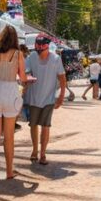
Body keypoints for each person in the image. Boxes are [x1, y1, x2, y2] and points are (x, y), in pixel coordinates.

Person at [0, 26, 27, 180]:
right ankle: (9, 171)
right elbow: (22, 77)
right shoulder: (18, 54)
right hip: (10, 92)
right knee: (9, 135)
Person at [23, 35, 66, 165]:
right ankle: (35, 150)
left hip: (49, 98)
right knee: (33, 125)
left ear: (47, 46)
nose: (39, 48)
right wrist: (28, 77)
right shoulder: (31, 57)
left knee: (46, 126)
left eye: (42, 46)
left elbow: (62, 78)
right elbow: (26, 72)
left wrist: (61, 96)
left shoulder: (56, 59)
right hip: (33, 97)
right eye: (37, 45)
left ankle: (43, 153)